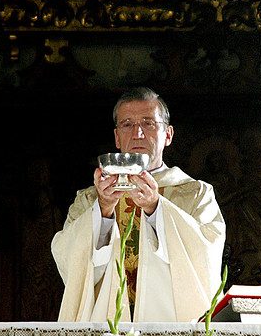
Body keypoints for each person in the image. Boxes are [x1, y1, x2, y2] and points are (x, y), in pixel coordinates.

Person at [51, 87, 226, 322]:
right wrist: (102, 212)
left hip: (170, 325)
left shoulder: (195, 194)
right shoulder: (90, 199)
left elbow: (206, 255)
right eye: (127, 124)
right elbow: (68, 258)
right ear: (116, 137)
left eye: (149, 123)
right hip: (105, 326)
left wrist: (156, 209)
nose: (138, 133)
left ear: (168, 134)